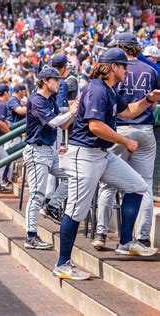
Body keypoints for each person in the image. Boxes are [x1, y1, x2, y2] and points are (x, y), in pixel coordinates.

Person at [53, 48, 160, 281]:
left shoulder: (110, 89)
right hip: (84, 154)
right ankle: (62, 263)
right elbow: (95, 126)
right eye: (123, 66)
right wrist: (125, 141)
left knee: (137, 186)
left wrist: (148, 100)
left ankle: (125, 243)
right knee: (76, 211)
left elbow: (129, 112)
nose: (126, 70)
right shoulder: (97, 89)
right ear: (113, 67)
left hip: (101, 154)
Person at [93, 33, 160, 250]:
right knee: (145, 184)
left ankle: (101, 234)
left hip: (118, 131)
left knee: (109, 184)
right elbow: (152, 102)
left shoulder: (114, 69)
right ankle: (142, 237)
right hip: (145, 128)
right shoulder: (150, 69)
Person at [23, 67, 77, 250]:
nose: (59, 83)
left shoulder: (50, 99)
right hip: (36, 151)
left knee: (73, 177)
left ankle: (52, 206)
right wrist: (70, 112)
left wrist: (73, 111)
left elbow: (63, 124)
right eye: (55, 80)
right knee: (37, 194)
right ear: (45, 81)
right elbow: (53, 122)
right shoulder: (37, 99)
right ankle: (31, 236)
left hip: (49, 151)